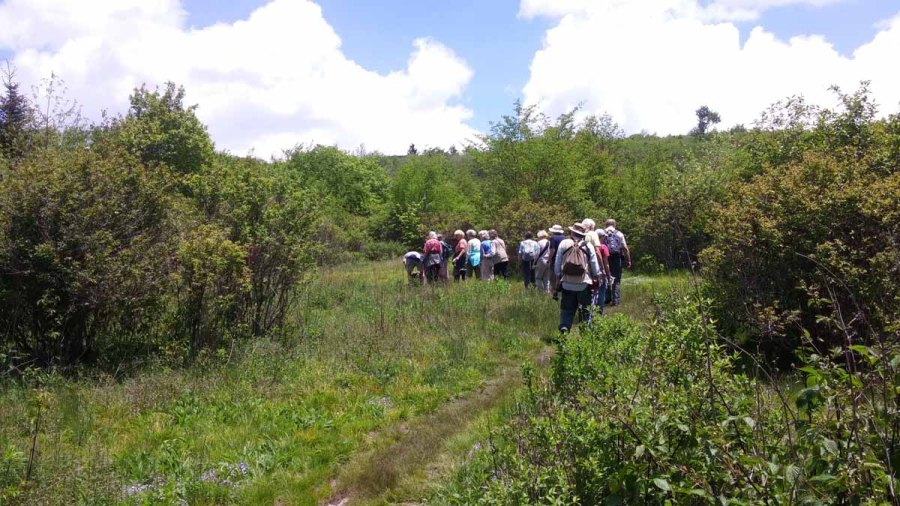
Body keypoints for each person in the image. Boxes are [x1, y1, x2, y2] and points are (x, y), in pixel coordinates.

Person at [554, 223, 601, 333]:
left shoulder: (564, 243)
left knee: (567, 308)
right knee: (585, 309)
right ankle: (585, 330)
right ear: (583, 234)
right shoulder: (587, 245)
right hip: (584, 283)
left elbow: (557, 262)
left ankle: (564, 326)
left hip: (566, 282)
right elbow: (594, 263)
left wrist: (558, 275)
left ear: (572, 232)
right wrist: (597, 276)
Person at [582, 219, 612, 314]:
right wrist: (603, 270)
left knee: (588, 291)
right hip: (596, 268)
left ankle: (586, 313)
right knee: (601, 289)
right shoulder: (601, 245)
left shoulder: (582, 237)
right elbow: (602, 259)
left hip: (584, 268)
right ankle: (599, 312)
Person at [604, 219, 632, 306]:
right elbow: (625, 248)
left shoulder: (602, 233)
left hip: (605, 258)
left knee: (606, 278)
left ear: (606, 225)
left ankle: (606, 299)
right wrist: (628, 260)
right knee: (616, 280)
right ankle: (616, 301)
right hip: (616, 258)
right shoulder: (619, 233)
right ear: (614, 225)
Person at [547, 225, 566, 300]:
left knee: (553, 277)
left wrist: (549, 259)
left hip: (555, 259)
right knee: (561, 277)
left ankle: (554, 293)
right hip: (563, 260)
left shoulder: (553, 238)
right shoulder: (564, 238)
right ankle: (561, 293)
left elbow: (552, 250)